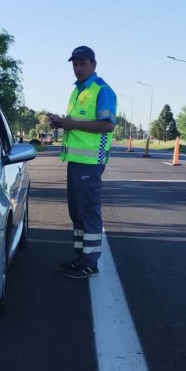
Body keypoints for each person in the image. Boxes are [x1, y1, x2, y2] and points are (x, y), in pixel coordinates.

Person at [47, 45, 116, 279]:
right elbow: (75, 123)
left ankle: (90, 263)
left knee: (88, 213)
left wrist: (71, 124)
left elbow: (107, 124)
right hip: (75, 161)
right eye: (75, 64)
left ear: (94, 65)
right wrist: (61, 122)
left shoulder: (102, 90)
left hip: (89, 164)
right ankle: (81, 258)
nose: (77, 68)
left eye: (82, 63)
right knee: (77, 213)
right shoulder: (78, 91)